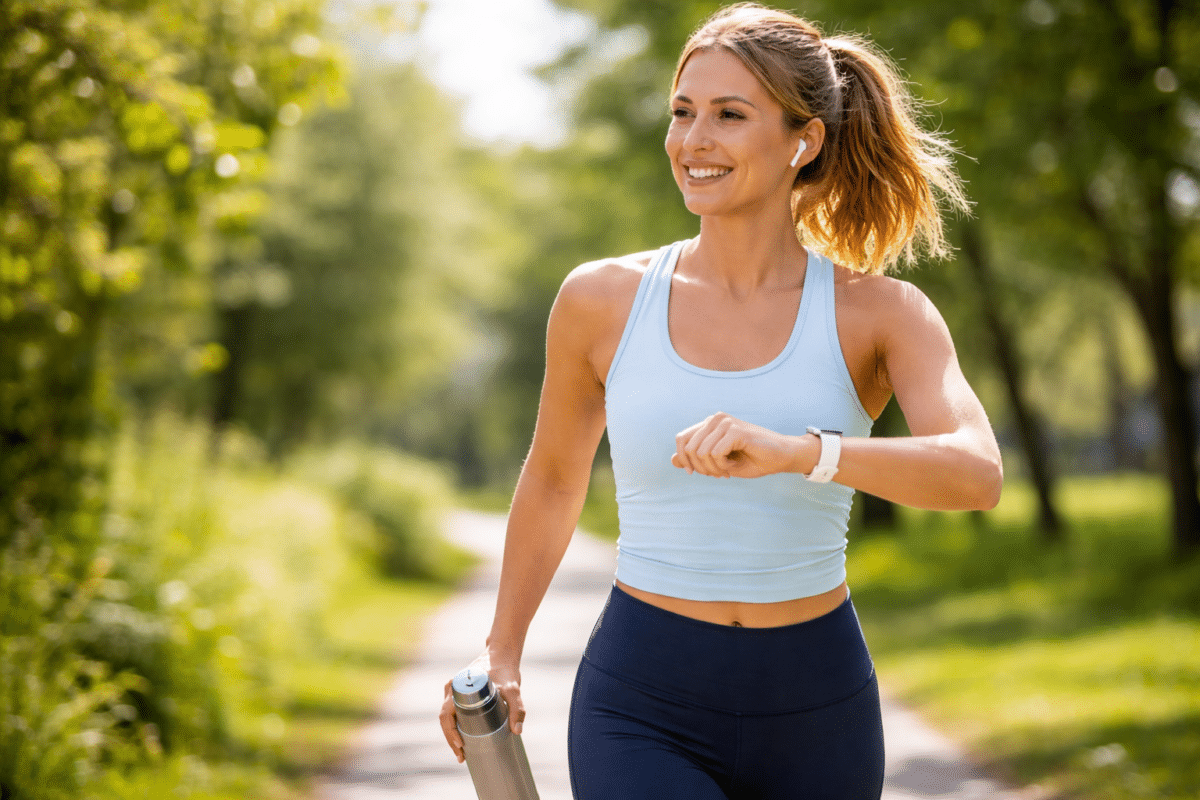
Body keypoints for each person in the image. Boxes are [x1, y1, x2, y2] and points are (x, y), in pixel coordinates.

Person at [440, 3, 1003, 798]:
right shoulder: (601, 300)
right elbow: (556, 477)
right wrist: (501, 650)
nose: (692, 141)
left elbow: (976, 473)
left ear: (802, 141)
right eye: (682, 112)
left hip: (818, 708)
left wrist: (801, 453)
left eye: (729, 115)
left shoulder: (881, 312)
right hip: (641, 701)